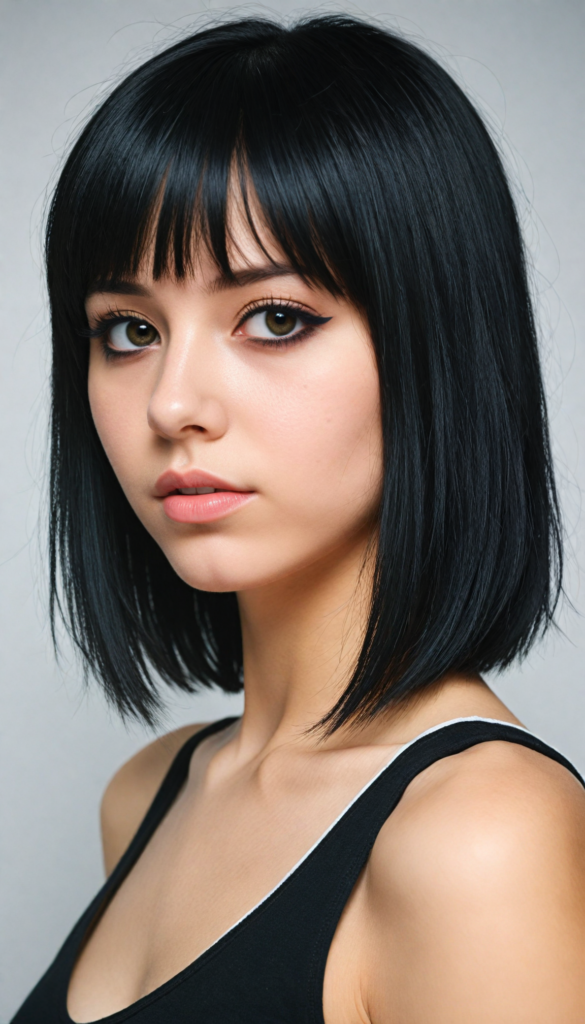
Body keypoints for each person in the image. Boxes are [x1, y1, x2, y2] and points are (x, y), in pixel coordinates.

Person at [12, 14, 585, 1024]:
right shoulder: (149, 793)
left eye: (274, 317)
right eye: (129, 329)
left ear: (433, 345)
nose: (173, 403)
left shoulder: (481, 836)